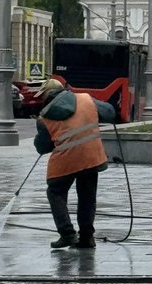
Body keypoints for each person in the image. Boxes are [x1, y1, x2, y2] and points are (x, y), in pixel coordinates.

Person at [33, 75, 116, 251]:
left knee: (55, 192)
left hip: (66, 162)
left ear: (47, 95)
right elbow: (110, 112)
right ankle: (86, 238)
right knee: (87, 197)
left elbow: (42, 147)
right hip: (91, 156)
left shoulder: (45, 117)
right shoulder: (85, 99)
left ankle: (67, 234)